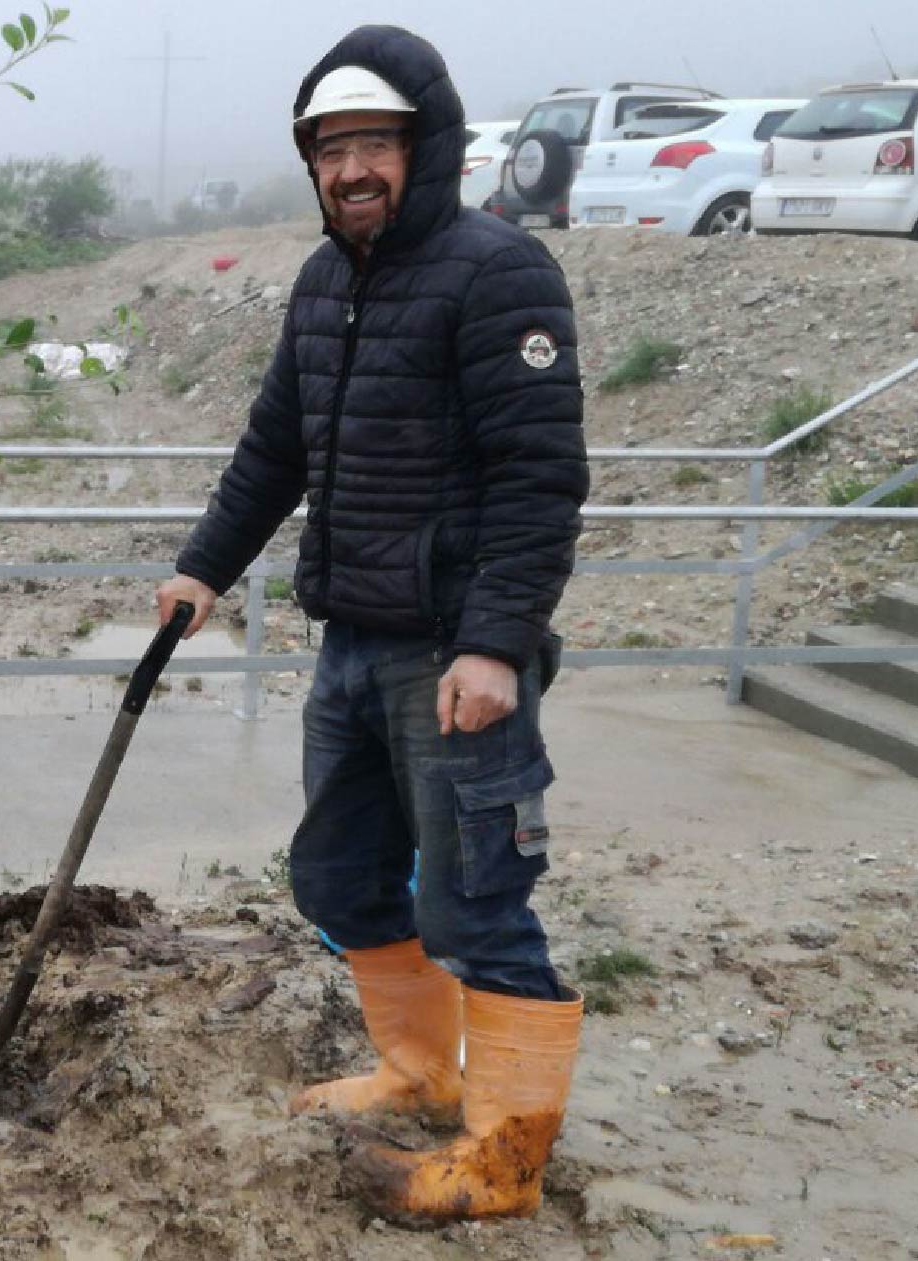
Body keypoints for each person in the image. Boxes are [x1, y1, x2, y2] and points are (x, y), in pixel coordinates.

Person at [154, 26, 591, 1223]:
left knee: (476, 903)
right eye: (329, 147)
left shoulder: (498, 273)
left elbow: (537, 476)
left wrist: (496, 643)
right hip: (351, 643)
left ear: (426, 148)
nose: (350, 168)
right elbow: (273, 451)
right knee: (338, 873)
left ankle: (502, 1156)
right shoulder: (321, 283)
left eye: (374, 144)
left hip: (454, 653)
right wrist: (204, 570)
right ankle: (418, 1069)